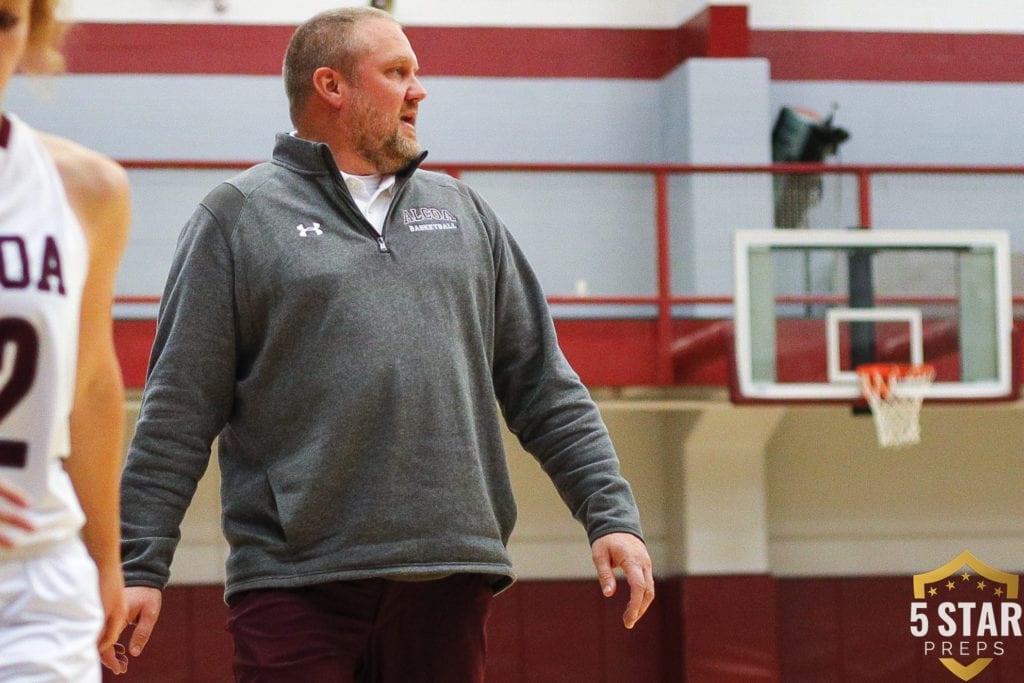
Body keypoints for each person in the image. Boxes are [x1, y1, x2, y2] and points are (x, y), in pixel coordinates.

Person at [118, 6, 653, 681]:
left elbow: (543, 383)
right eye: (398, 72)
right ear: (331, 86)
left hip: (449, 575)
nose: (418, 91)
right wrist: (139, 562)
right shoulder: (238, 217)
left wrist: (612, 514)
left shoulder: (464, 212)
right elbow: (178, 408)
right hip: (294, 583)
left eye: (416, 73)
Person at [0, 0, 131, 679]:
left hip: (34, 581)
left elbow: (92, 384)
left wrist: (105, 556)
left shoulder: (84, 190)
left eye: (4, 20)